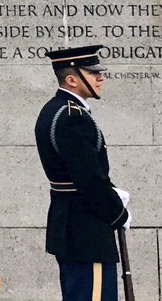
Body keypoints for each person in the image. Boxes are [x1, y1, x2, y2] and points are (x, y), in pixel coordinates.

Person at [35, 45, 131, 301]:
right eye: (93, 73)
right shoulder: (72, 117)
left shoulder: (54, 109)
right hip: (86, 229)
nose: (100, 78)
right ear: (71, 79)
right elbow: (89, 180)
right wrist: (118, 213)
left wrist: (111, 192)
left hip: (72, 225)